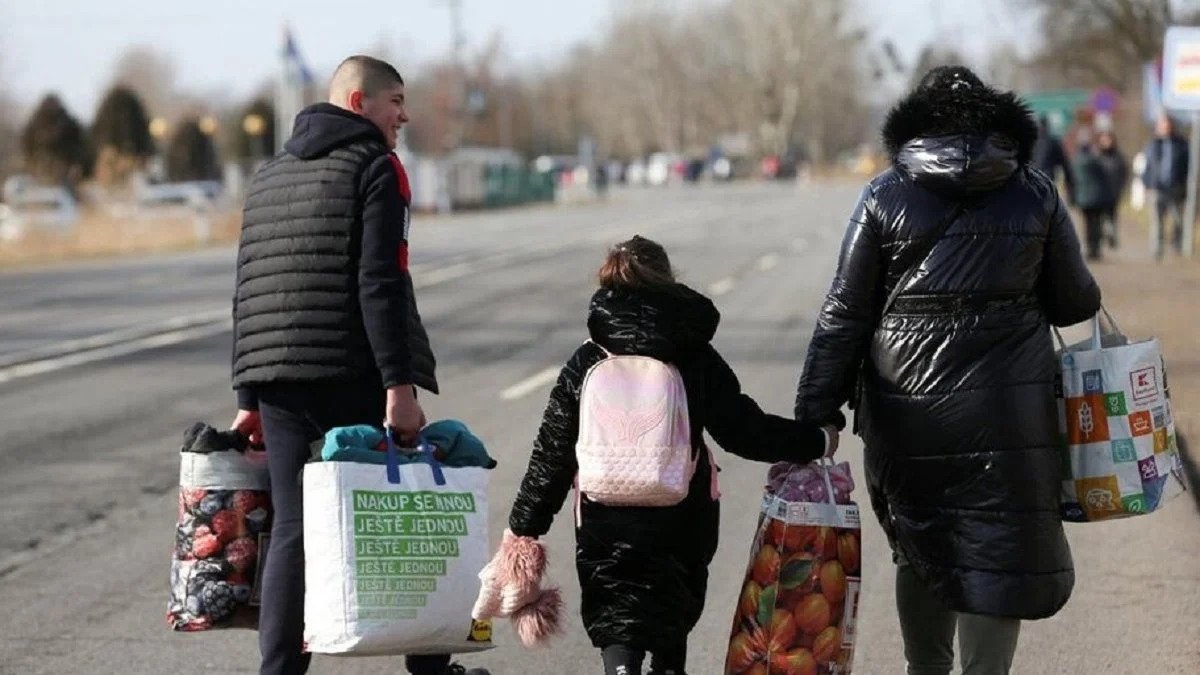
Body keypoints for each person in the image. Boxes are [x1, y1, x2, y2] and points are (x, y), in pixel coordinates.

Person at [795, 66, 1101, 675]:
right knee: (998, 546)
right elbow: (1076, 302)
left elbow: (843, 314)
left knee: (921, 543)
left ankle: (925, 668)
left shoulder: (883, 195)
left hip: (908, 411)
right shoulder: (1034, 191)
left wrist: (815, 415)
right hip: (1009, 414)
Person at [229, 55, 484, 675]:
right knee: (406, 505)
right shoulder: (377, 167)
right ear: (357, 103)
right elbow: (381, 281)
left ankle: (279, 671)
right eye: (394, 100)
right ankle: (429, 664)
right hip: (349, 367)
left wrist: (246, 393)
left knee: (292, 528)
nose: (404, 114)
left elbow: (247, 287)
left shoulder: (269, 174)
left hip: (276, 377)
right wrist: (399, 386)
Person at [501, 236, 835, 675]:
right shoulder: (694, 356)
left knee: (617, 612)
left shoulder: (587, 360)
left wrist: (524, 529)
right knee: (670, 614)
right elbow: (744, 431)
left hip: (606, 514)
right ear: (668, 280)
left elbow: (552, 454)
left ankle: (620, 669)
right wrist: (817, 440)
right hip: (682, 513)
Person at [1141, 112, 1190, 259]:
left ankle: (1177, 244)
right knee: (1157, 221)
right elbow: (1146, 167)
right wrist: (1146, 183)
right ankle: (1158, 249)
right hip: (1156, 188)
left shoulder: (1181, 145)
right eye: (1162, 125)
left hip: (1175, 188)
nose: (1165, 127)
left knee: (1178, 219)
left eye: (1168, 125)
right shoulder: (1151, 145)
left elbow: (1188, 167)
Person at [1071, 128, 1116, 261]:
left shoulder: (1075, 161)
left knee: (1087, 224)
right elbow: (1104, 176)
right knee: (1096, 224)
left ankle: (1089, 248)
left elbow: (1072, 181)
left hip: (1083, 198)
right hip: (1097, 198)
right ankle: (1095, 249)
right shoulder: (1095, 160)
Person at [1094, 130, 1129, 250]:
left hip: (1113, 193)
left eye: (1108, 140)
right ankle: (1098, 241)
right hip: (1098, 193)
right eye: (1104, 140)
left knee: (1111, 217)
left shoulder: (1118, 157)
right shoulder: (1096, 156)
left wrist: (1120, 187)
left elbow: (1124, 173)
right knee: (1098, 219)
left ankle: (1111, 235)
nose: (1106, 142)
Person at [1032, 114, 1075, 204]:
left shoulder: (1027, 142)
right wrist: (1070, 185)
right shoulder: (1053, 142)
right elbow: (1064, 164)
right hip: (1047, 180)